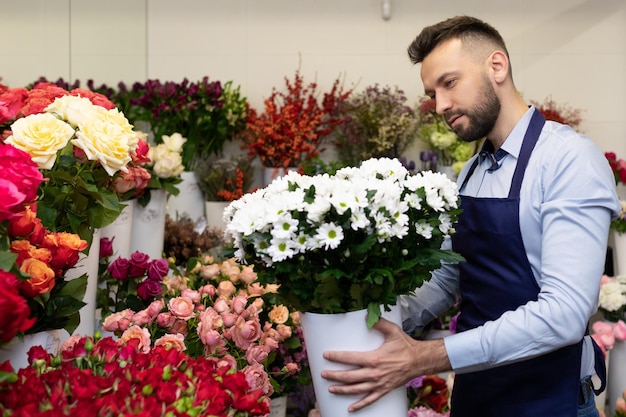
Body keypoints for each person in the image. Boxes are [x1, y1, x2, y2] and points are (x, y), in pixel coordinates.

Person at [320, 15, 621, 417]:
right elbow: (448, 277)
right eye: (432, 93)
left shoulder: (567, 160)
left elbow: (564, 315)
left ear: (497, 66)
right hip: (476, 396)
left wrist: (425, 357)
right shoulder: (473, 171)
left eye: (449, 83)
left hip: (548, 401)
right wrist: (359, 324)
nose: (440, 105)